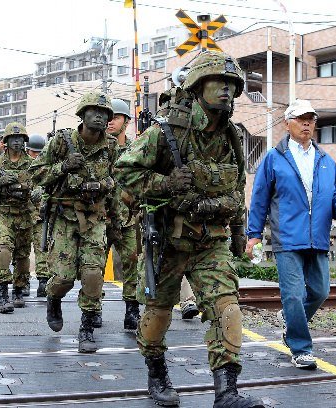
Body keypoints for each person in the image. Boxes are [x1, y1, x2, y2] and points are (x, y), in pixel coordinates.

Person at [115, 51, 265, 408]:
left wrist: (240, 232)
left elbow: (235, 188)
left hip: (211, 241)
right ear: (198, 87)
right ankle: (156, 373)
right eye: (219, 82)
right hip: (167, 240)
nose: (227, 90)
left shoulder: (230, 136)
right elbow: (123, 174)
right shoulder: (165, 132)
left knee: (226, 309)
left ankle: (227, 393)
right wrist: (164, 184)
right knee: (156, 314)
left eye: (232, 84)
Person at [246, 99, 336, 370]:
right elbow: (259, 198)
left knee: (320, 291)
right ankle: (301, 348)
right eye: (301, 119)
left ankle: (292, 323)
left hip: (317, 236)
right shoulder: (274, 157)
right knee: (293, 295)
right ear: (287, 123)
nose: (307, 124)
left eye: (311, 119)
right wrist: (253, 234)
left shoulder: (325, 160)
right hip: (287, 237)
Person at [30, 91, 119, 353]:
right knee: (64, 278)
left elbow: (117, 183)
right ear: (82, 114)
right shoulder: (62, 142)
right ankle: (53, 298)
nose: (100, 117)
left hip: (95, 218)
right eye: (95, 111)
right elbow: (36, 174)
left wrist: (115, 220)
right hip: (65, 217)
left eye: (105, 113)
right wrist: (63, 167)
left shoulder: (111, 147)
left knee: (93, 274)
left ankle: (87, 328)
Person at [0, 122, 34, 313]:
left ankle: (19, 290)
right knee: (3, 250)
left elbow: (40, 188)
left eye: (21, 138)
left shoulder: (32, 165)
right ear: (6, 141)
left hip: (24, 214)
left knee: (22, 256)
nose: (18, 142)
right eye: (14, 138)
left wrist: (33, 192)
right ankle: (2, 294)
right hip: (3, 214)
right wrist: (0, 184)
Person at [105, 98, 140, 330]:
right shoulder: (97, 149)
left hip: (128, 218)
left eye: (115, 117)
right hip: (100, 217)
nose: (110, 122)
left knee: (131, 263)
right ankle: (93, 310)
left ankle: (132, 309)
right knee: (94, 266)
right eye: (108, 117)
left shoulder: (137, 148)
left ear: (126, 121)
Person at [25, 134, 51, 298]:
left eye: (39, 152)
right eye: (34, 152)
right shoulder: (22, 166)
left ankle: (43, 281)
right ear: (28, 151)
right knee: (22, 251)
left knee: (42, 249)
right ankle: (23, 281)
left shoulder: (46, 166)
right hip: (23, 215)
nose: (36, 155)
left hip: (41, 215)